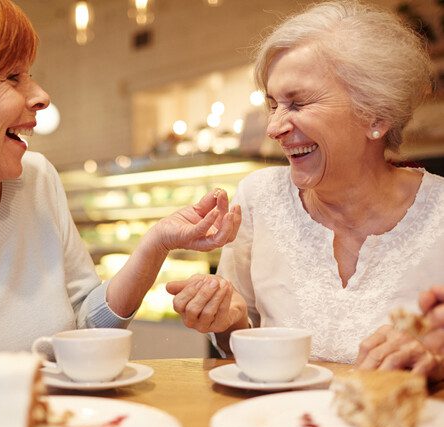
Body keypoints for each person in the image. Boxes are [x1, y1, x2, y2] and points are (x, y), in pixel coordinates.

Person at [0, 0, 241, 394]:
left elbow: (85, 327)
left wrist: (156, 243)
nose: (42, 96)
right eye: (13, 77)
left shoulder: (37, 179)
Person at [167, 0, 444, 379]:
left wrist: (437, 357)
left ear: (376, 114)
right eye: (273, 105)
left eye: (297, 103)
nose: (274, 128)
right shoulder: (259, 198)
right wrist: (227, 322)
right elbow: (237, 342)